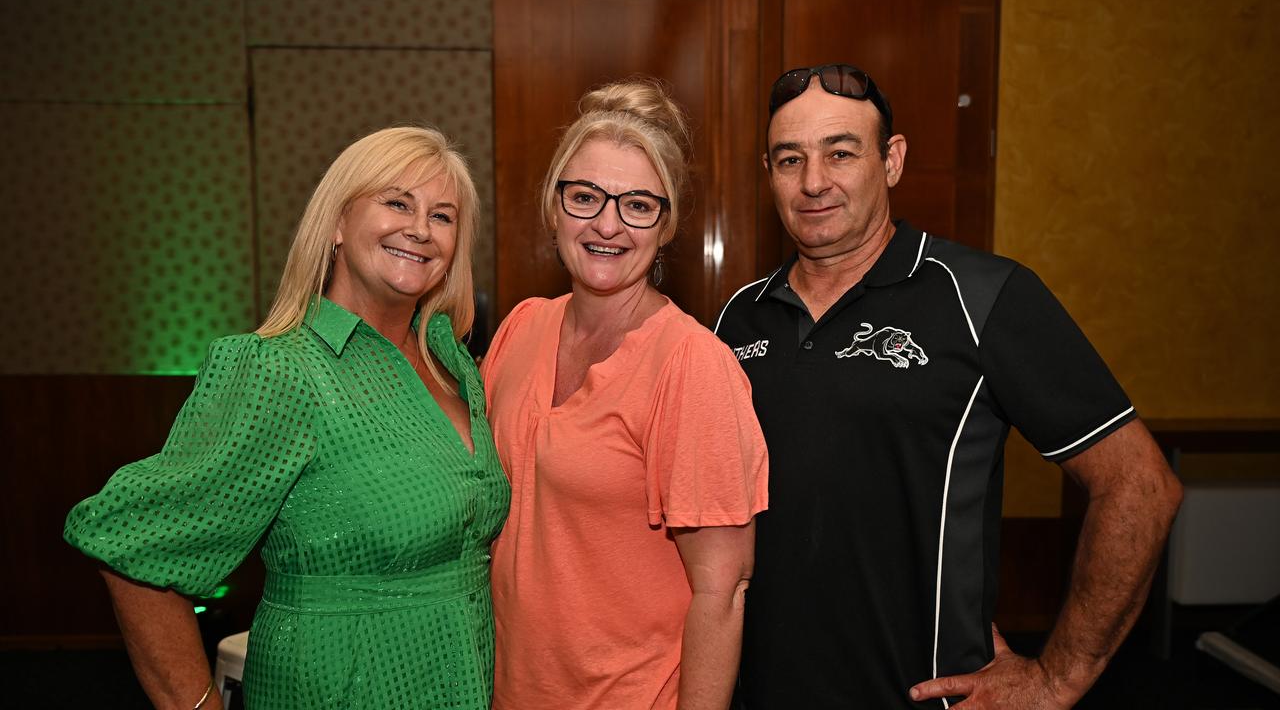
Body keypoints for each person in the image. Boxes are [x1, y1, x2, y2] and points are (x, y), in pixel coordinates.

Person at [713, 64, 1183, 708]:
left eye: (841, 153)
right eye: (789, 159)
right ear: (768, 174)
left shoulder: (985, 296)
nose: (813, 182)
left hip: (924, 698)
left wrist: (1057, 680)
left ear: (893, 160)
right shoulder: (736, 318)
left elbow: (1141, 486)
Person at [64, 125, 510, 709]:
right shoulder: (281, 370)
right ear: (335, 225)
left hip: (463, 685)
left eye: (443, 215)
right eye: (397, 202)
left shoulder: (455, 365)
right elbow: (131, 544)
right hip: (338, 688)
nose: (421, 228)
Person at [481, 78, 769, 710]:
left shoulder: (692, 366)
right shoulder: (521, 328)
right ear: (552, 207)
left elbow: (722, 591)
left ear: (666, 227)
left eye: (638, 205)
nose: (607, 224)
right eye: (585, 196)